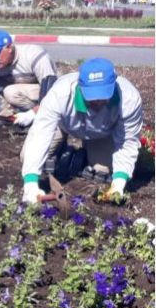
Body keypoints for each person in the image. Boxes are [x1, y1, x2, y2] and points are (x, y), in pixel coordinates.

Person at [20, 58, 143, 205]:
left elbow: (127, 141)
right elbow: (40, 134)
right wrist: (31, 183)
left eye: (103, 94)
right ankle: (63, 151)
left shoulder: (129, 99)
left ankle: (82, 156)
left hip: (101, 134)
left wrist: (119, 183)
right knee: (27, 156)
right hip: (63, 125)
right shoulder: (60, 94)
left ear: (114, 83)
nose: (97, 101)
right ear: (80, 85)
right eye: (92, 95)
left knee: (104, 170)